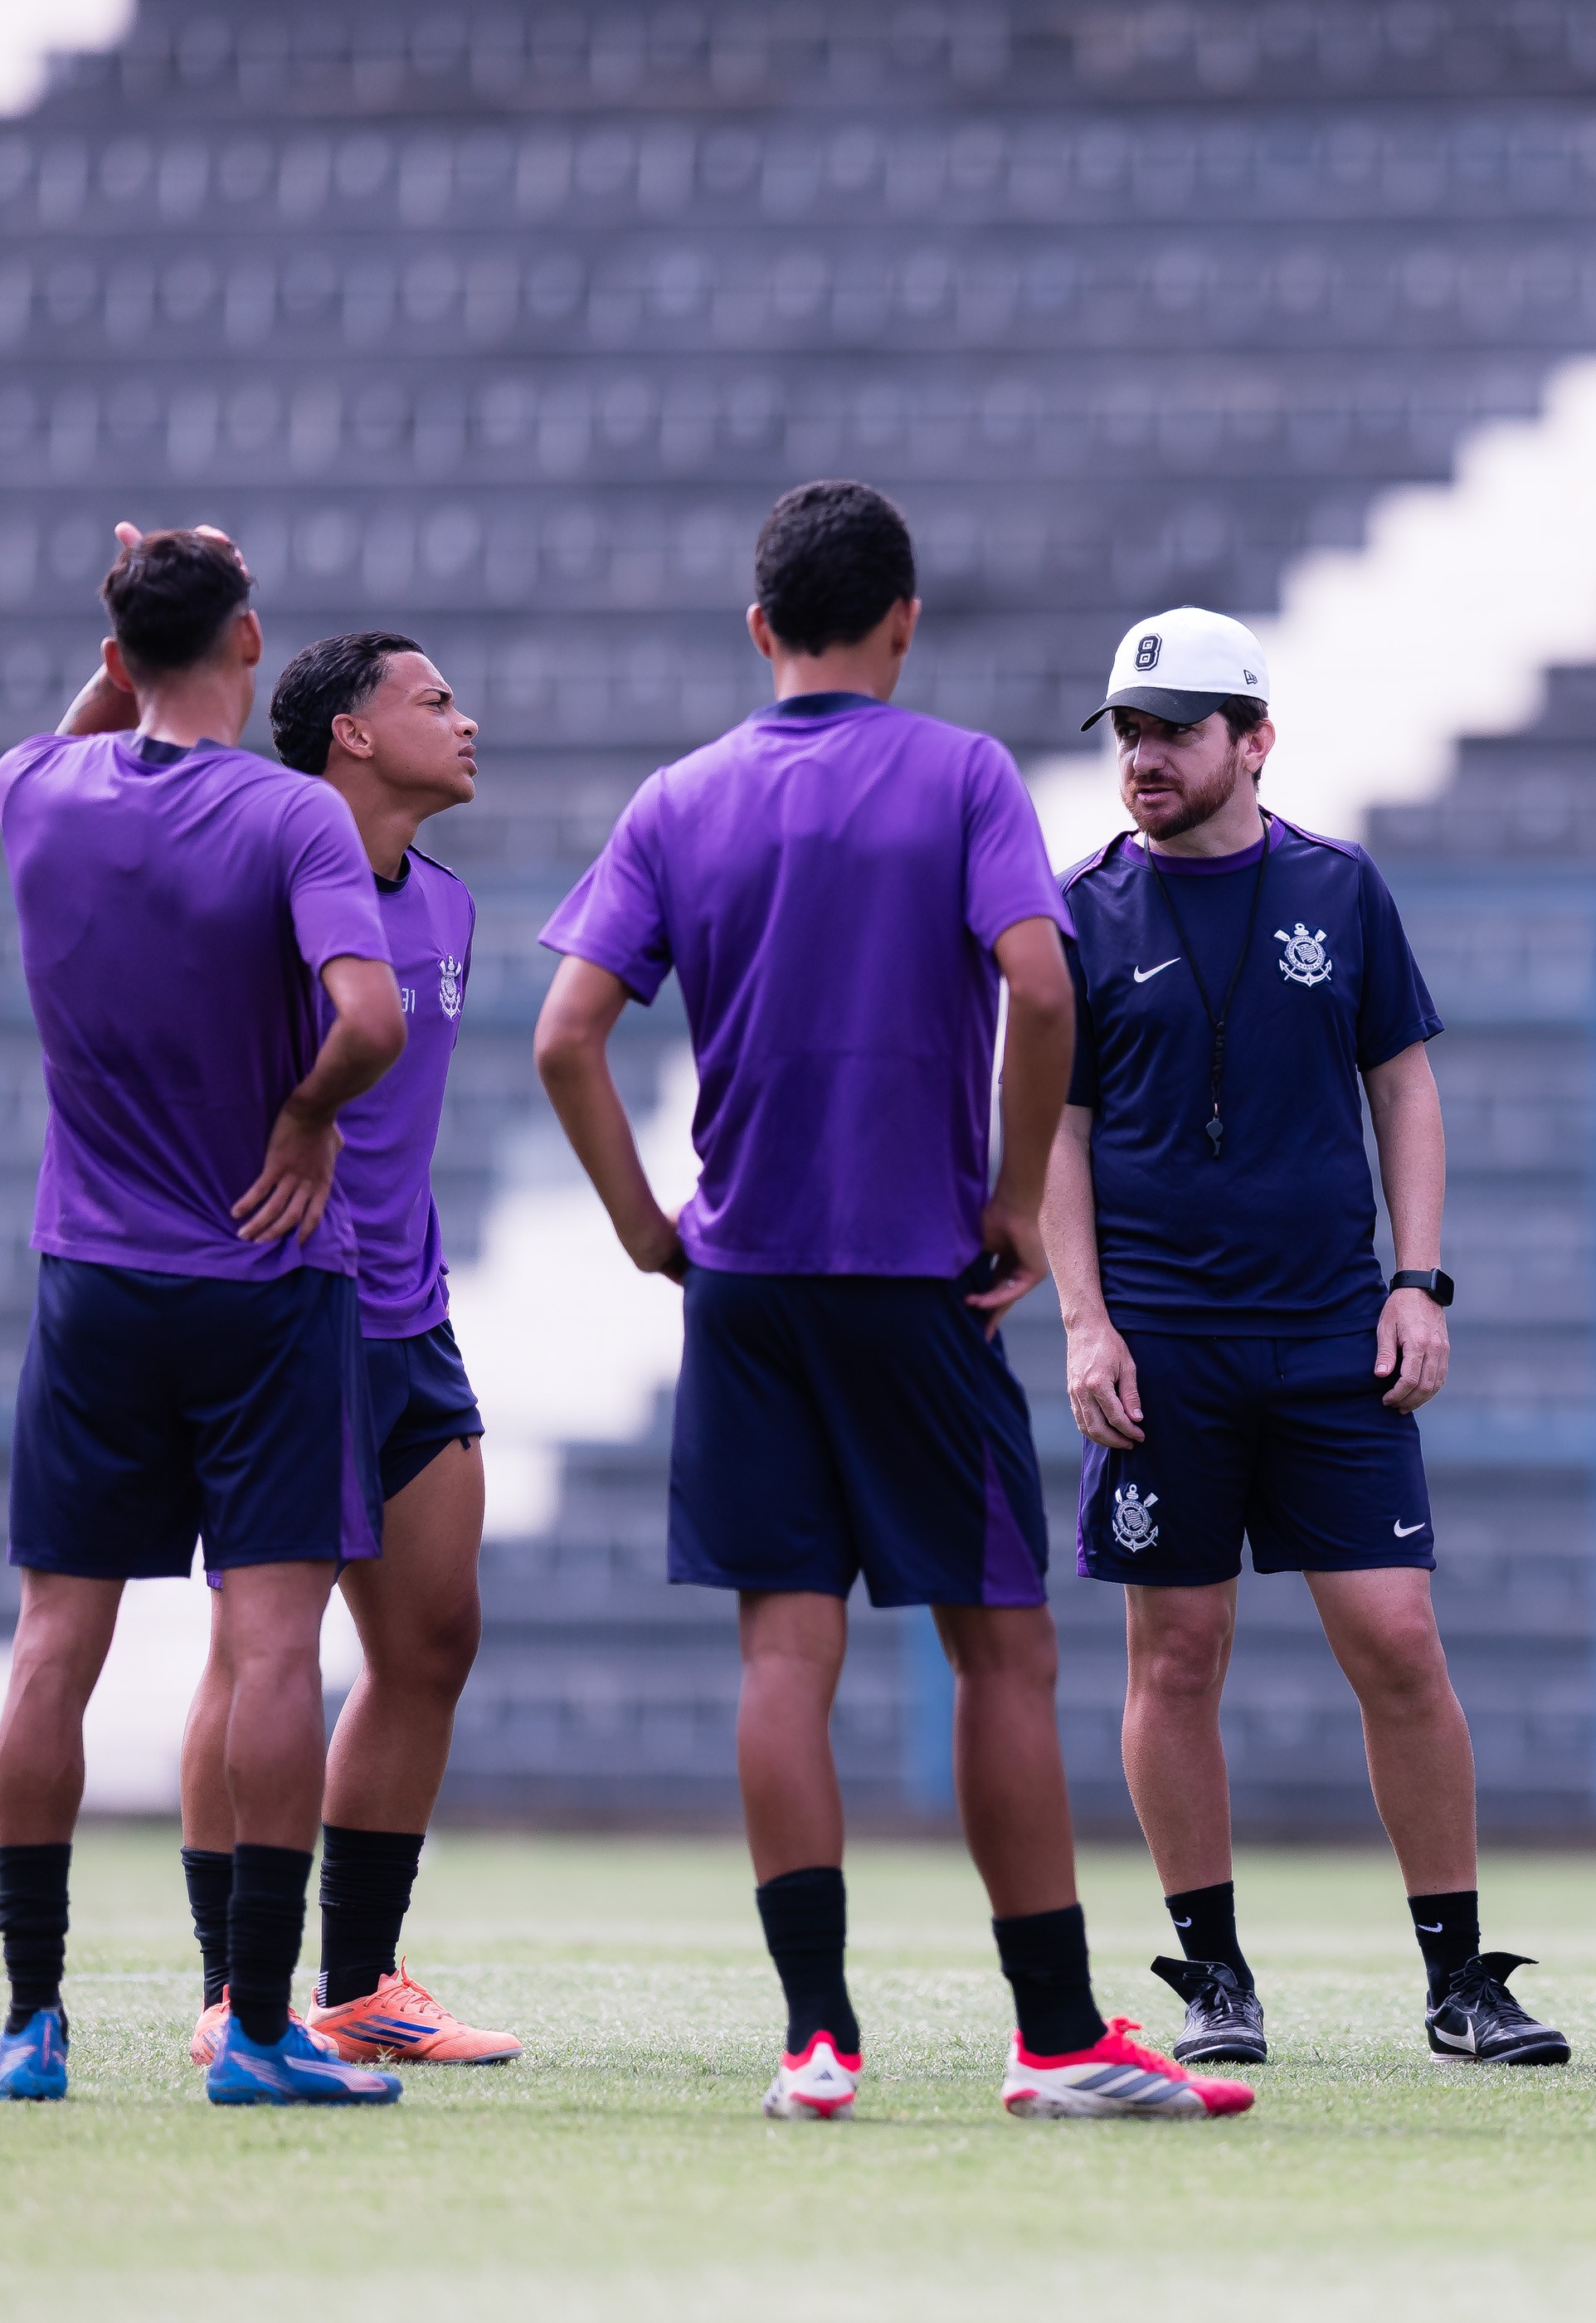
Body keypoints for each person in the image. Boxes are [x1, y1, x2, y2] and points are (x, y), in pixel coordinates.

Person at [533, 481, 1248, 2123]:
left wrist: (651, 1224)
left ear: (761, 624)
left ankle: (817, 2035)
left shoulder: (683, 794)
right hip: (915, 1277)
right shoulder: (961, 774)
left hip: (749, 1279)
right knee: (1000, 1655)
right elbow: (1045, 982)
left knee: (784, 1653)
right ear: (906, 621)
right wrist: (1012, 1204)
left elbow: (568, 1032)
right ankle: (1060, 2033)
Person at [1046, 605, 1564, 2070]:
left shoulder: (1342, 891)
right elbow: (1056, 1137)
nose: (1145, 756)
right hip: (1163, 1347)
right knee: (1179, 1654)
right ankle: (1214, 1979)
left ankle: (1461, 1980)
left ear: (1254, 742)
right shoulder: (1078, 908)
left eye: (1175, 731)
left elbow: (1403, 1089)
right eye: (1130, 732)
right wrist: (1085, 1325)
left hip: (1333, 1334)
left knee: (1398, 1642)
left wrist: (1421, 1283)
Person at [0, 524, 409, 2107]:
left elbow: (91, 721)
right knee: (274, 1646)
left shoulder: (36, 789)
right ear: (248, 639)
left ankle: (28, 2024)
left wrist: (122, 650)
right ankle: (264, 2032)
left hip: (92, 1277)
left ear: (116, 653)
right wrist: (304, 1123)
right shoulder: (289, 814)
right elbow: (369, 1019)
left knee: (52, 1647)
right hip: (264, 1276)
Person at [172, 632, 516, 2070]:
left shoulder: (448, 904)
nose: (467, 717)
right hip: (284, 1316)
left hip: (411, 1321)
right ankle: (230, 1987)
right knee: (261, 1656)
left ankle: (361, 1985)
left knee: (434, 1638)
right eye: (435, 699)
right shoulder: (254, 893)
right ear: (351, 737)